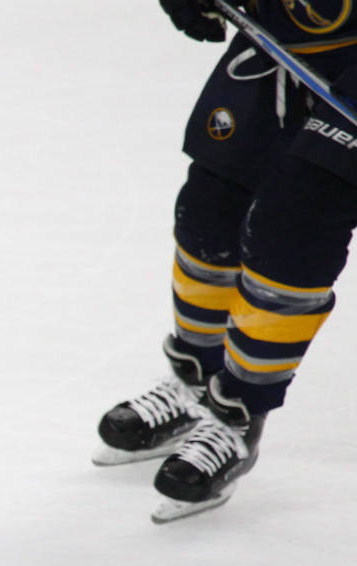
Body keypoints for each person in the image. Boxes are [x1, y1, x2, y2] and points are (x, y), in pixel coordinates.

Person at [93, 0, 357, 522]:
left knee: (296, 219)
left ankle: (238, 412)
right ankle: (197, 376)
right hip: (287, 31)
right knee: (211, 207)